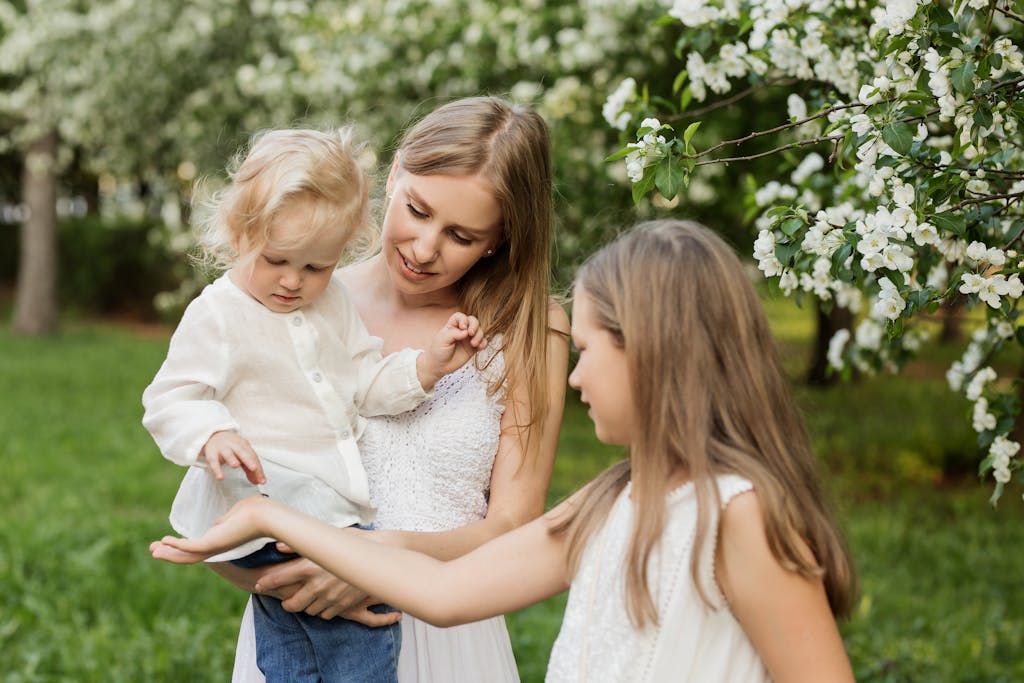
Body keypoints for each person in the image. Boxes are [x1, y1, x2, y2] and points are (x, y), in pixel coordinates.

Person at [153, 219, 858, 682]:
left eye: (589, 351)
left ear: (658, 355)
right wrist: (274, 518)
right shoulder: (614, 499)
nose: (575, 375)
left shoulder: (741, 515)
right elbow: (446, 592)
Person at [203, 97, 569, 682]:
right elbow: (224, 499)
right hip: (306, 619)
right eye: (418, 210)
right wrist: (300, 578)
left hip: (451, 631)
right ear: (394, 173)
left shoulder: (528, 329)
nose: (425, 249)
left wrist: (374, 563)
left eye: (462, 235)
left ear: (500, 239)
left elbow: (512, 527)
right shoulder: (296, 305)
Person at [142, 127, 486, 683]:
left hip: (317, 508)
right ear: (238, 233)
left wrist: (426, 367)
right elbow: (171, 396)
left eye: (316, 267)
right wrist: (211, 435)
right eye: (278, 259)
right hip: (270, 504)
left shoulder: (333, 304)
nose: (294, 282)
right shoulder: (219, 314)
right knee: (365, 635)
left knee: (292, 647)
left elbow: (366, 384)